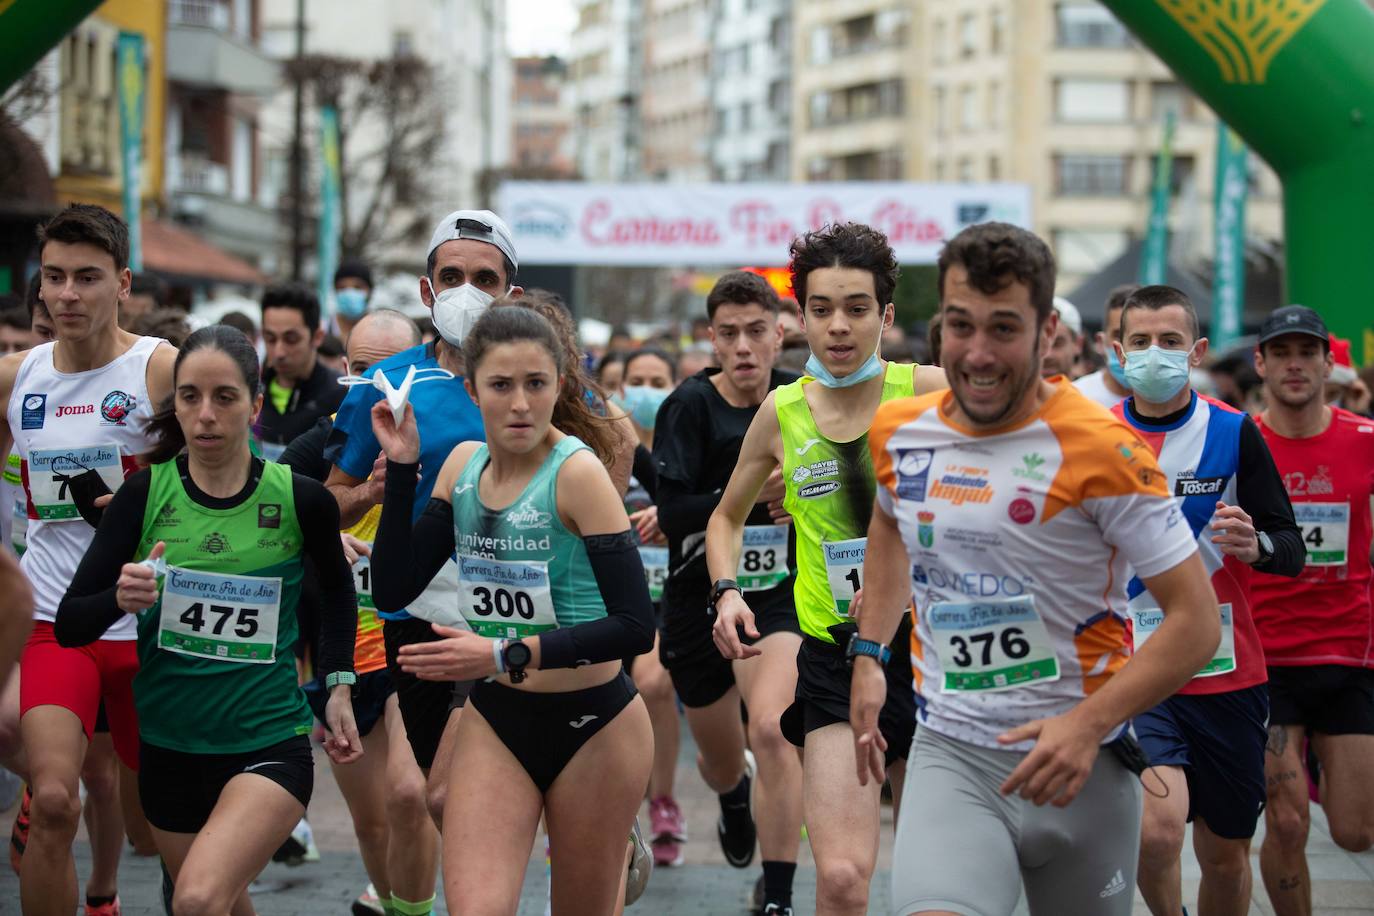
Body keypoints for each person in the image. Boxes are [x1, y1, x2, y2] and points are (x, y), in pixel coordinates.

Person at [850, 221, 1222, 916]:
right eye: (961, 326)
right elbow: (888, 529)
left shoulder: (1103, 448)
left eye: (1004, 328)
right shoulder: (899, 431)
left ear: (1047, 329)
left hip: (1082, 771)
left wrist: (1086, 726)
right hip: (952, 754)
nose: (979, 354)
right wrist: (870, 653)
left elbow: (1196, 622)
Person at [53, 325, 362, 915]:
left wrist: (338, 682)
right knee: (214, 903)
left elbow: (336, 593)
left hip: (268, 739)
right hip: (168, 746)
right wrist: (120, 598)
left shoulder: (300, 499)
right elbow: (70, 623)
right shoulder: (143, 497)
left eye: (224, 397)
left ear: (253, 404)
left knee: (196, 898)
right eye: (190, 397)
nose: (206, 415)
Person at [371, 306, 655, 915]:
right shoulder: (461, 467)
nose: (521, 404)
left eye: (536, 384)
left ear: (559, 385)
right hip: (498, 715)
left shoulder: (576, 473)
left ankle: (620, 835)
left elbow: (635, 626)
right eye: (501, 385)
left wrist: (502, 651)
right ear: (472, 389)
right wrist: (400, 469)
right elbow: (393, 591)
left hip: (595, 725)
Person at [706, 224, 945, 915]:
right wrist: (727, 592)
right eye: (821, 309)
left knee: (937, 880)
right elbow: (725, 518)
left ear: (887, 316)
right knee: (841, 879)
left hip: (935, 652)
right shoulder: (782, 413)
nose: (838, 326)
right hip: (835, 656)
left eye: (858, 308)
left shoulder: (928, 391)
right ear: (800, 317)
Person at [324, 210, 522, 859]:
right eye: (453, 276)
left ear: (510, 295)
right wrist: (376, 491)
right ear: (427, 290)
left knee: (445, 793)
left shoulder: (544, 376)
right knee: (439, 791)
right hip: (418, 612)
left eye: (485, 278)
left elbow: (605, 461)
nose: (468, 291)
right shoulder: (388, 381)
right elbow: (333, 504)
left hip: (521, 603)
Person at [0, 204, 177, 916]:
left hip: (150, 621)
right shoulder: (15, 378)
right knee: (51, 803)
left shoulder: (158, 370)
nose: (68, 294)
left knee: (158, 828)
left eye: (87, 278)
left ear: (122, 283)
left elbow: (217, 482)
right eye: (55, 278)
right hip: (56, 620)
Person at [1111, 284, 1304, 916]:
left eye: (1169, 342)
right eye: (1140, 342)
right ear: (1118, 352)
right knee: (1157, 830)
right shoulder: (1092, 435)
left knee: (1224, 854)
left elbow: (1290, 545)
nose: (1154, 355)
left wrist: (1258, 546)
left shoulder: (1235, 431)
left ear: (1195, 351)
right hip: (1134, 669)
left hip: (1225, 671)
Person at [280, 308, 440, 916]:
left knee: (408, 793)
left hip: (412, 645)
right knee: (371, 824)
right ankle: (396, 900)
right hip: (340, 651)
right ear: (344, 372)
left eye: (391, 369)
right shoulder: (316, 447)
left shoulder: (441, 440)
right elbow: (263, 514)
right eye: (362, 370)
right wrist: (321, 529)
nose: (376, 382)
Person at [654, 270, 802, 913]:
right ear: (712, 339)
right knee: (720, 760)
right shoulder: (688, 406)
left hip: (780, 593)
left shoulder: (802, 399)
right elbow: (671, 509)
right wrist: (741, 501)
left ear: (779, 335)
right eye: (730, 334)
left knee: (773, 729)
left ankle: (778, 890)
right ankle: (733, 794)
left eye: (757, 332)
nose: (744, 347)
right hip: (697, 594)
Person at [1249, 305, 1374, 916]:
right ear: (1261, 364)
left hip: (1350, 652)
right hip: (1268, 659)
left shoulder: (1363, 440)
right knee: (1289, 824)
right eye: (1281, 353)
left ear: (1330, 364)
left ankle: (1330, 771)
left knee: (1356, 833)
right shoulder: (1242, 441)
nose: (1294, 365)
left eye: (1306, 353)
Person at [256, 283, 345, 462]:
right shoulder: (250, 390)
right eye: (270, 338)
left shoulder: (339, 396)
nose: (279, 352)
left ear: (317, 337)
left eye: (291, 339)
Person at [1074, 283, 1138, 409]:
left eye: (1139, 338)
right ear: (1100, 342)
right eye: (1118, 335)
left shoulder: (1173, 401)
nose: (1127, 345)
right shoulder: (1076, 398)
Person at [333, 259, 375, 343]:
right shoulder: (322, 329)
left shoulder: (380, 330)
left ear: (370, 291)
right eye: (342, 288)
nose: (349, 293)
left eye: (357, 287)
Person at [1041, 296, 1083, 379]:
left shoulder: (1090, 391)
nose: (1048, 355)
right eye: (1039, 344)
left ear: (1078, 344)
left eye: (1057, 344)